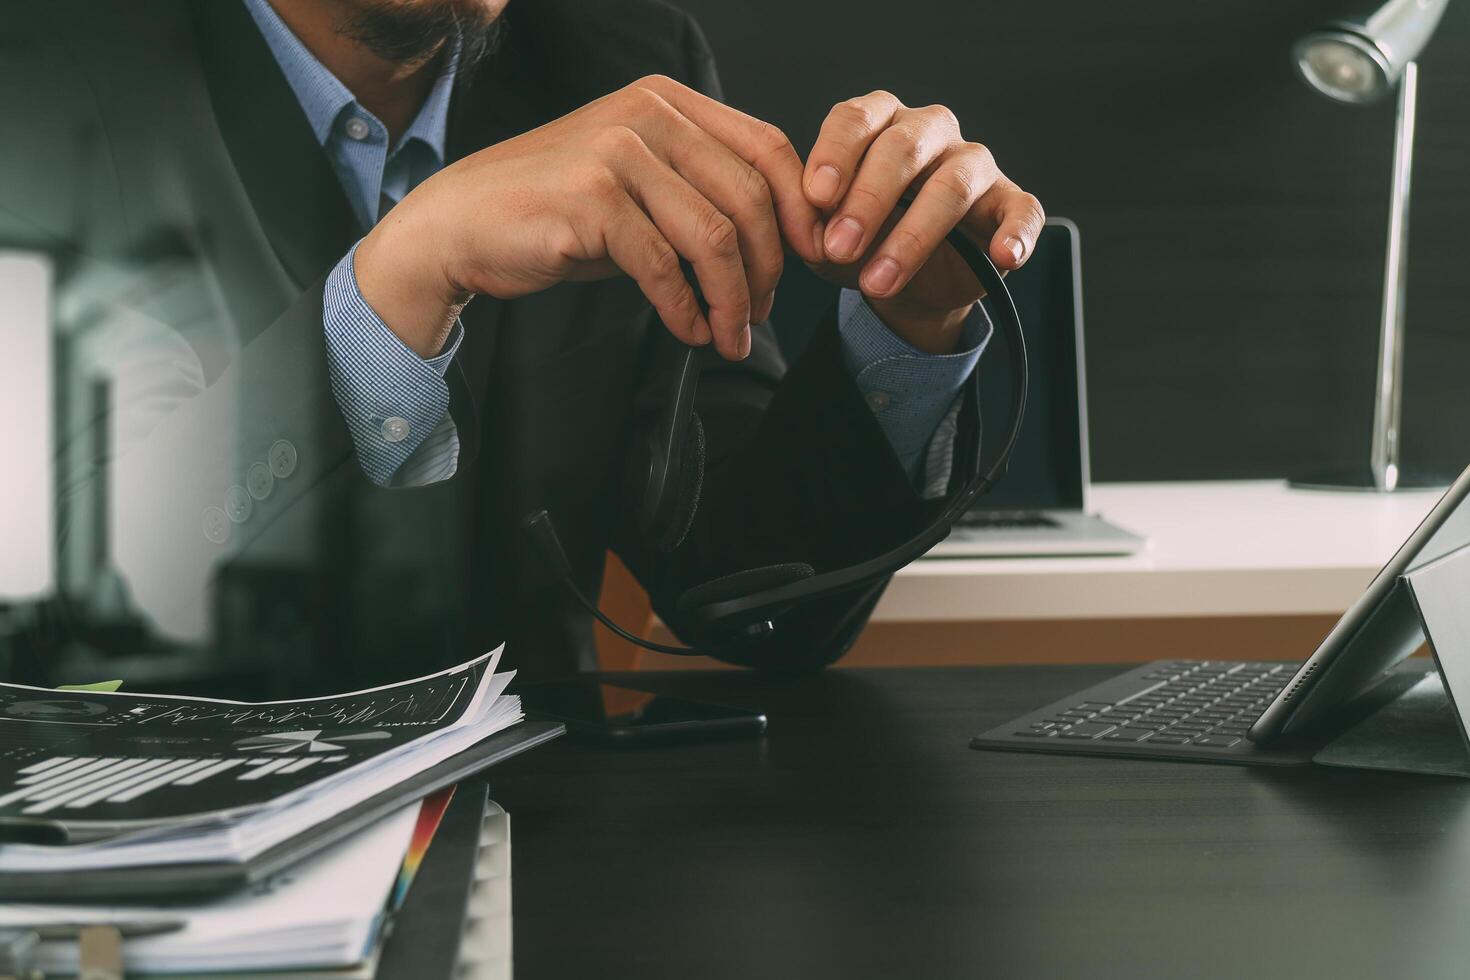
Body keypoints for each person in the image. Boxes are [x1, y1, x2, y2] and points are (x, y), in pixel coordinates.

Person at [0, 0, 1042, 692]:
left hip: (555, 880)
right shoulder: (38, 70)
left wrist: (912, 319)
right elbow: (43, 621)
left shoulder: (630, 65)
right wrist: (398, 279)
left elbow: (753, 587)